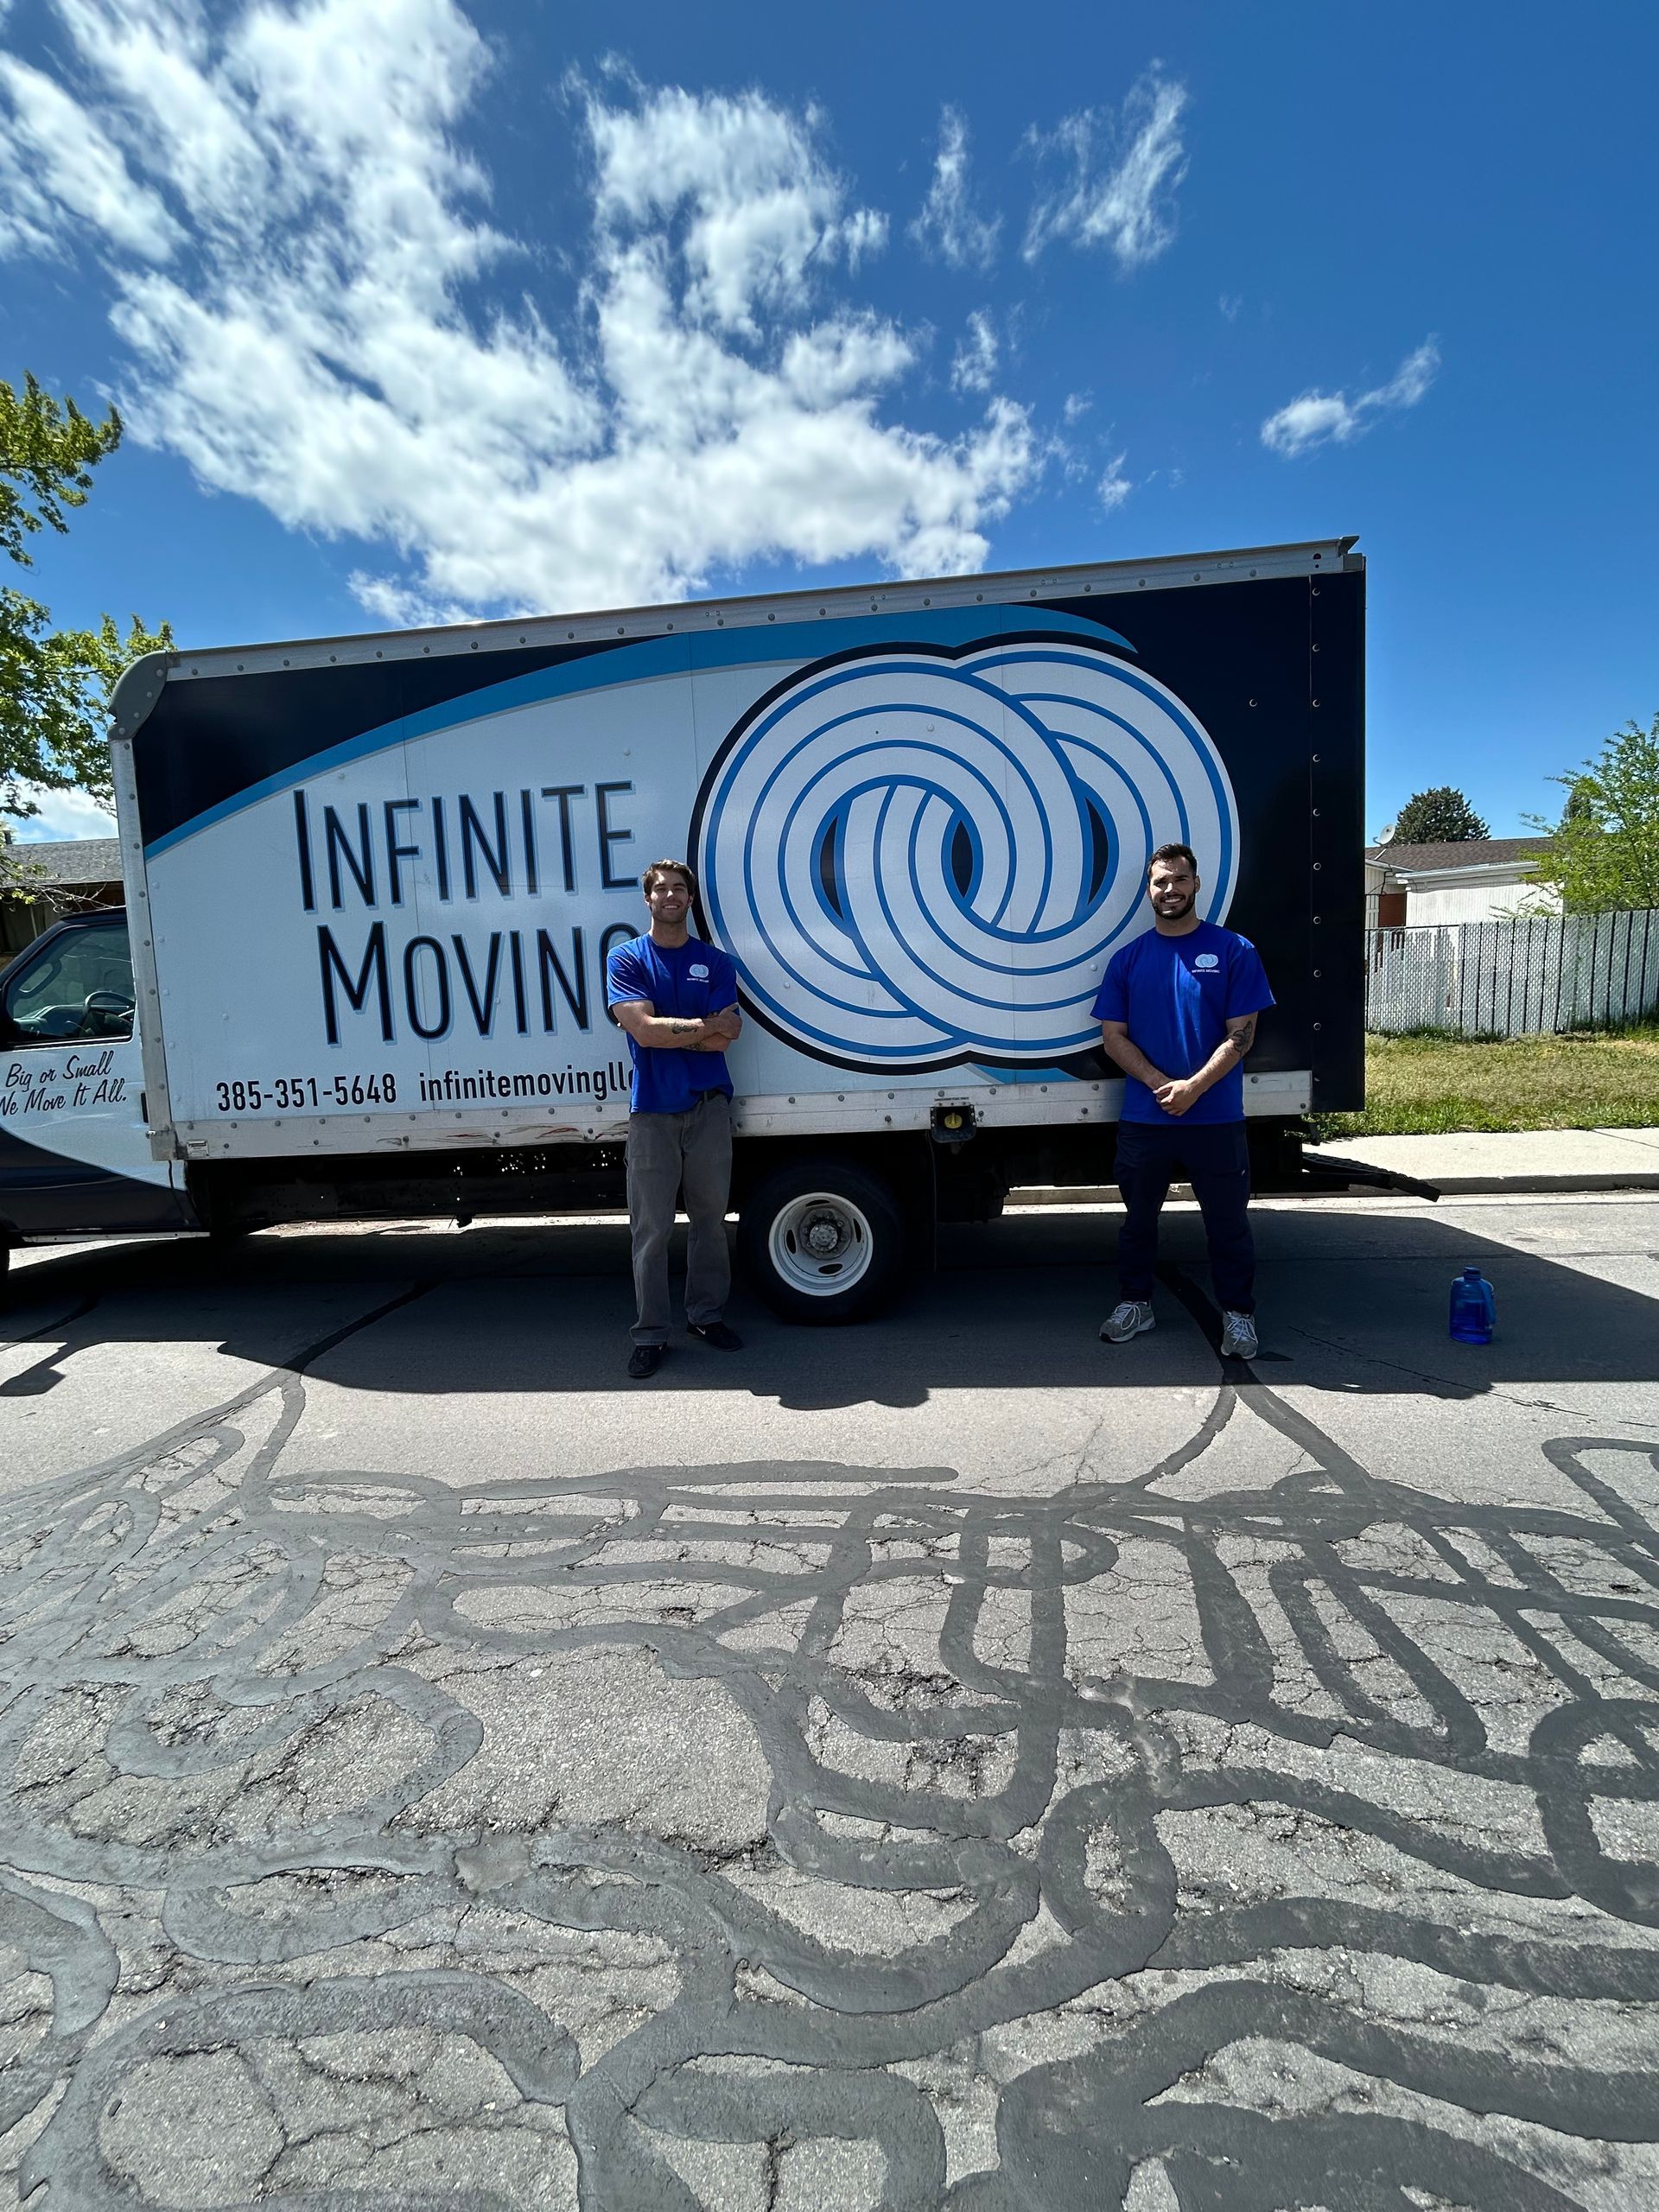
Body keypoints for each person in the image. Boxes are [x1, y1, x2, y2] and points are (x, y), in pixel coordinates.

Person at [1092, 843, 1275, 1360]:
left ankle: (1238, 1315)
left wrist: (1193, 1087)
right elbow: (1113, 1037)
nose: (1169, 889)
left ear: (1196, 884)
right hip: (1145, 1118)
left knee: (1228, 1225)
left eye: (1179, 879)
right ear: (1148, 891)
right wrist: (1160, 1085)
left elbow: (1242, 1035)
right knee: (1137, 1223)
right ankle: (1136, 1303)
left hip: (1215, 1118)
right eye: (1160, 882)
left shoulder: (1235, 950)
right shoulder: (1128, 959)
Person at [606, 860, 744, 1379]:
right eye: (660, 888)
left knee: (710, 1222)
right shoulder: (627, 958)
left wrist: (676, 1031)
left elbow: (725, 1039)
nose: (670, 895)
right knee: (651, 1230)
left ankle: (705, 1317)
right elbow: (644, 1032)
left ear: (690, 899)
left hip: (709, 1108)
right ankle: (650, 1334)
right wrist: (705, 1025)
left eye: (679, 888)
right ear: (648, 899)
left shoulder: (716, 962)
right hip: (652, 1113)